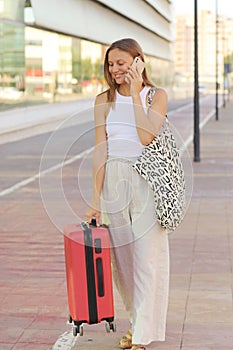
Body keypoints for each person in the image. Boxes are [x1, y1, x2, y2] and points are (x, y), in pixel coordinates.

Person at [86, 38, 170, 350]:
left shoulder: (156, 96)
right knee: (122, 261)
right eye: (110, 64)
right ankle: (136, 325)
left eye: (121, 63)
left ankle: (144, 333)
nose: (115, 69)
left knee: (147, 257)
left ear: (138, 62)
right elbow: (100, 149)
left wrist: (135, 93)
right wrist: (95, 200)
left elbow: (147, 136)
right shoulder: (102, 100)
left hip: (147, 180)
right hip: (114, 181)